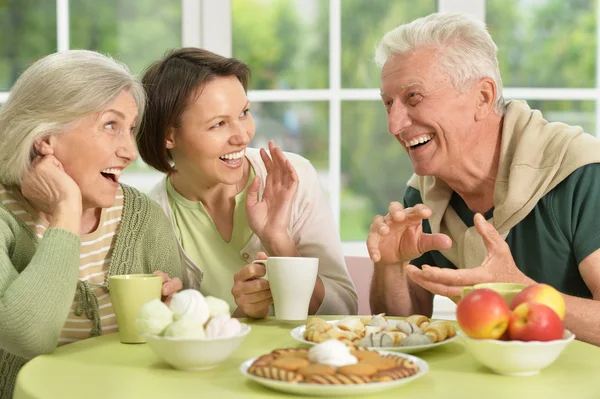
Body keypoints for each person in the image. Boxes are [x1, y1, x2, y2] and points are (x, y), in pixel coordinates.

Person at [367, 12, 600, 346]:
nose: (394, 124)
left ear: (483, 97)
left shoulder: (583, 174)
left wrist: (519, 292)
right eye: (388, 104)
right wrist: (390, 266)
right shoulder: (422, 198)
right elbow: (402, 329)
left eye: (413, 97)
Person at [0, 50, 184, 398]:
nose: (130, 151)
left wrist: (171, 317)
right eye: (110, 126)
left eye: (130, 129)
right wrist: (65, 209)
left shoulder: (142, 216)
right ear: (45, 138)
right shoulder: (5, 217)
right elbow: (27, 335)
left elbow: (170, 348)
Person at [136, 47, 357, 318]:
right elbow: (179, 333)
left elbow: (345, 311)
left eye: (244, 112)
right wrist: (244, 313)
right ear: (169, 136)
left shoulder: (292, 177)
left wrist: (279, 243)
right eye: (218, 124)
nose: (242, 136)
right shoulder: (153, 217)